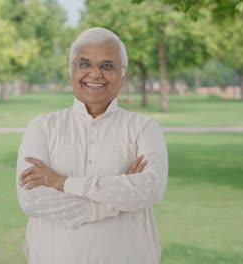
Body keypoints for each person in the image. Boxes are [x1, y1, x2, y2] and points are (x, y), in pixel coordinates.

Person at [16, 27, 168, 264]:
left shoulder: (144, 128)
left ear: (122, 75)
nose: (95, 73)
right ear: (71, 72)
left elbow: (150, 189)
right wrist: (116, 203)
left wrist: (62, 183)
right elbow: (33, 200)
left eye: (107, 66)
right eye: (84, 64)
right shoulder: (43, 127)